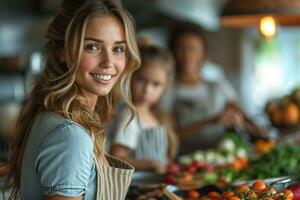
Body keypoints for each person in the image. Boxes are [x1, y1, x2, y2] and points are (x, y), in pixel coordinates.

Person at [5, 0, 141, 199]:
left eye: (118, 49)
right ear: (63, 52)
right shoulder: (70, 136)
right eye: (93, 47)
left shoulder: (60, 116)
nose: (108, 62)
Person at [166, 22, 261, 154]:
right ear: (173, 51)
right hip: (184, 161)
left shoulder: (219, 86)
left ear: (203, 53)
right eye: (181, 48)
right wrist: (210, 121)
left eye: (193, 48)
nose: (187, 54)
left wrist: (245, 124)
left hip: (220, 157)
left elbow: (246, 119)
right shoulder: (166, 89)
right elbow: (170, 134)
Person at [109, 45, 178, 174]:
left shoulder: (157, 114)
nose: (147, 90)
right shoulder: (129, 116)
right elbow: (117, 158)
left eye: (156, 84)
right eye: (141, 80)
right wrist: (151, 164)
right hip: (136, 187)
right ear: (130, 77)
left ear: (166, 86)